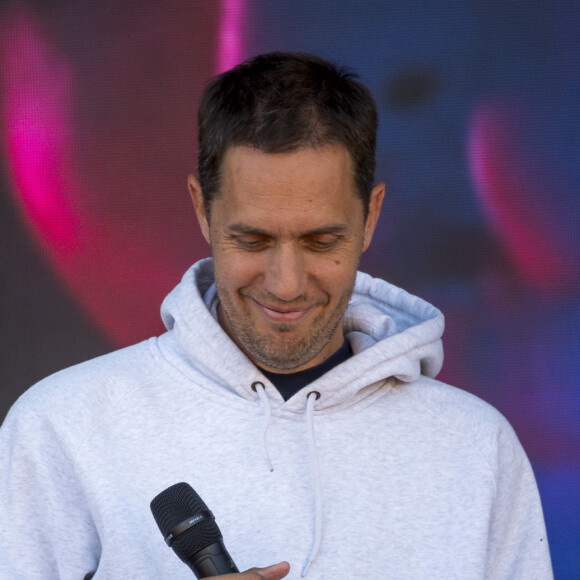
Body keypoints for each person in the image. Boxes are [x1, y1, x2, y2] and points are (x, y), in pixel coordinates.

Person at [0, 52, 552, 579]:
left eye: (320, 241)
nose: (285, 284)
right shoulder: (60, 428)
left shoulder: (476, 447)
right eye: (253, 239)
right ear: (201, 209)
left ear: (372, 215)